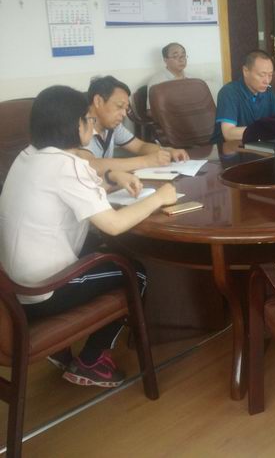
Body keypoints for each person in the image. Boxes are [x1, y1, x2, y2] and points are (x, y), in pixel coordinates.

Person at [0, 86, 177, 387]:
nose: (92, 127)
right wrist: (160, 197)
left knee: (102, 249)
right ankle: (92, 360)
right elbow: (114, 224)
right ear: (76, 125)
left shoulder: (28, 156)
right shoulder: (66, 165)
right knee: (135, 272)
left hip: (13, 286)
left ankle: (62, 349)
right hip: (43, 290)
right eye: (88, 120)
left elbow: (77, 188)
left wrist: (112, 178)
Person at [78, 76, 189, 174]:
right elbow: (90, 165)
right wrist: (145, 161)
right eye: (119, 106)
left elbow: (140, 146)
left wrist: (167, 151)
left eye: (126, 109)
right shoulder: (78, 128)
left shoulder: (112, 126)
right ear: (98, 101)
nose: (124, 114)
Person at [212, 49, 275, 142]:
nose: (267, 81)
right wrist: (262, 130)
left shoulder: (268, 91)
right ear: (246, 71)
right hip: (228, 147)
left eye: (270, 75)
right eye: (262, 75)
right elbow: (228, 133)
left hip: (257, 145)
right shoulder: (229, 92)